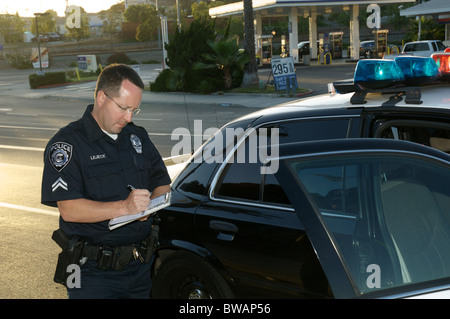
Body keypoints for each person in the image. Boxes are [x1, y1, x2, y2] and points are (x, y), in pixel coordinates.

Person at [41, 63, 171, 299]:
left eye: (134, 110)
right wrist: (125, 208)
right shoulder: (67, 145)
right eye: (123, 108)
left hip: (138, 266)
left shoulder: (137, 136)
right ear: (102, 97)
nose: (128, 117)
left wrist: (149, 207)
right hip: (89, 270)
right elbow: (70, 209)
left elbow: (162, 182)